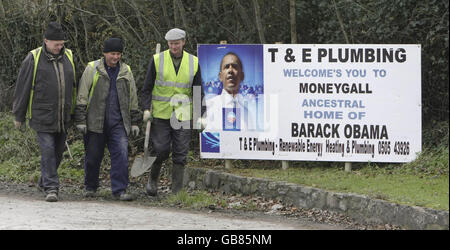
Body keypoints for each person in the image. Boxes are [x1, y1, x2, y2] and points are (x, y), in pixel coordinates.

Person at [12, 22, 77, 202]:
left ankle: (43, 180)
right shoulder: (33, 58)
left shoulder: (69, 56)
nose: (59, 47)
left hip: (63, 116)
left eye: (61, 43)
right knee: (48, 150)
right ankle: (51, 188)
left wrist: (75, 113)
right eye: (56, 44)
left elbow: (74, 87)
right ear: (46, 41)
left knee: (57, 153)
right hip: (41, 114)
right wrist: (19, 115)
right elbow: (22, 87)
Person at [74, 37, 140, 201]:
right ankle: (91, 187)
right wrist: (81, 120)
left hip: (118, 122)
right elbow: (82, 94)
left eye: (118, 54)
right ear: (104, 53)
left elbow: (133, 97)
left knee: (122, 154)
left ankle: (119, 190)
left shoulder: (126, 71)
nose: (115, 57)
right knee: (93, 156)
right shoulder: (92, 68)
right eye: (112, 54)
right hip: (95, 121)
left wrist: (135, 121)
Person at [141, 28, 203, 196]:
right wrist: (146, 108)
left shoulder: (194, 62)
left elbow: (197, 91)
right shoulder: (157, 60)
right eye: (171, 44)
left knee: (181, 153)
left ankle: (177, 191)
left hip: (183, 114)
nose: (174, 47)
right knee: (161, 150)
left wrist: (199, 116)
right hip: (161, 114)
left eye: (176, 43)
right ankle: (152, 180)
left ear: (183, 42)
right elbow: (146, 88)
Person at [205, 52, 257, 131]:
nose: (230, 70)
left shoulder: (247, 114)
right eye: (226, 67)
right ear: (220, 76)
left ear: (242, 76)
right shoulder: (208, 107)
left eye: (235, 67)